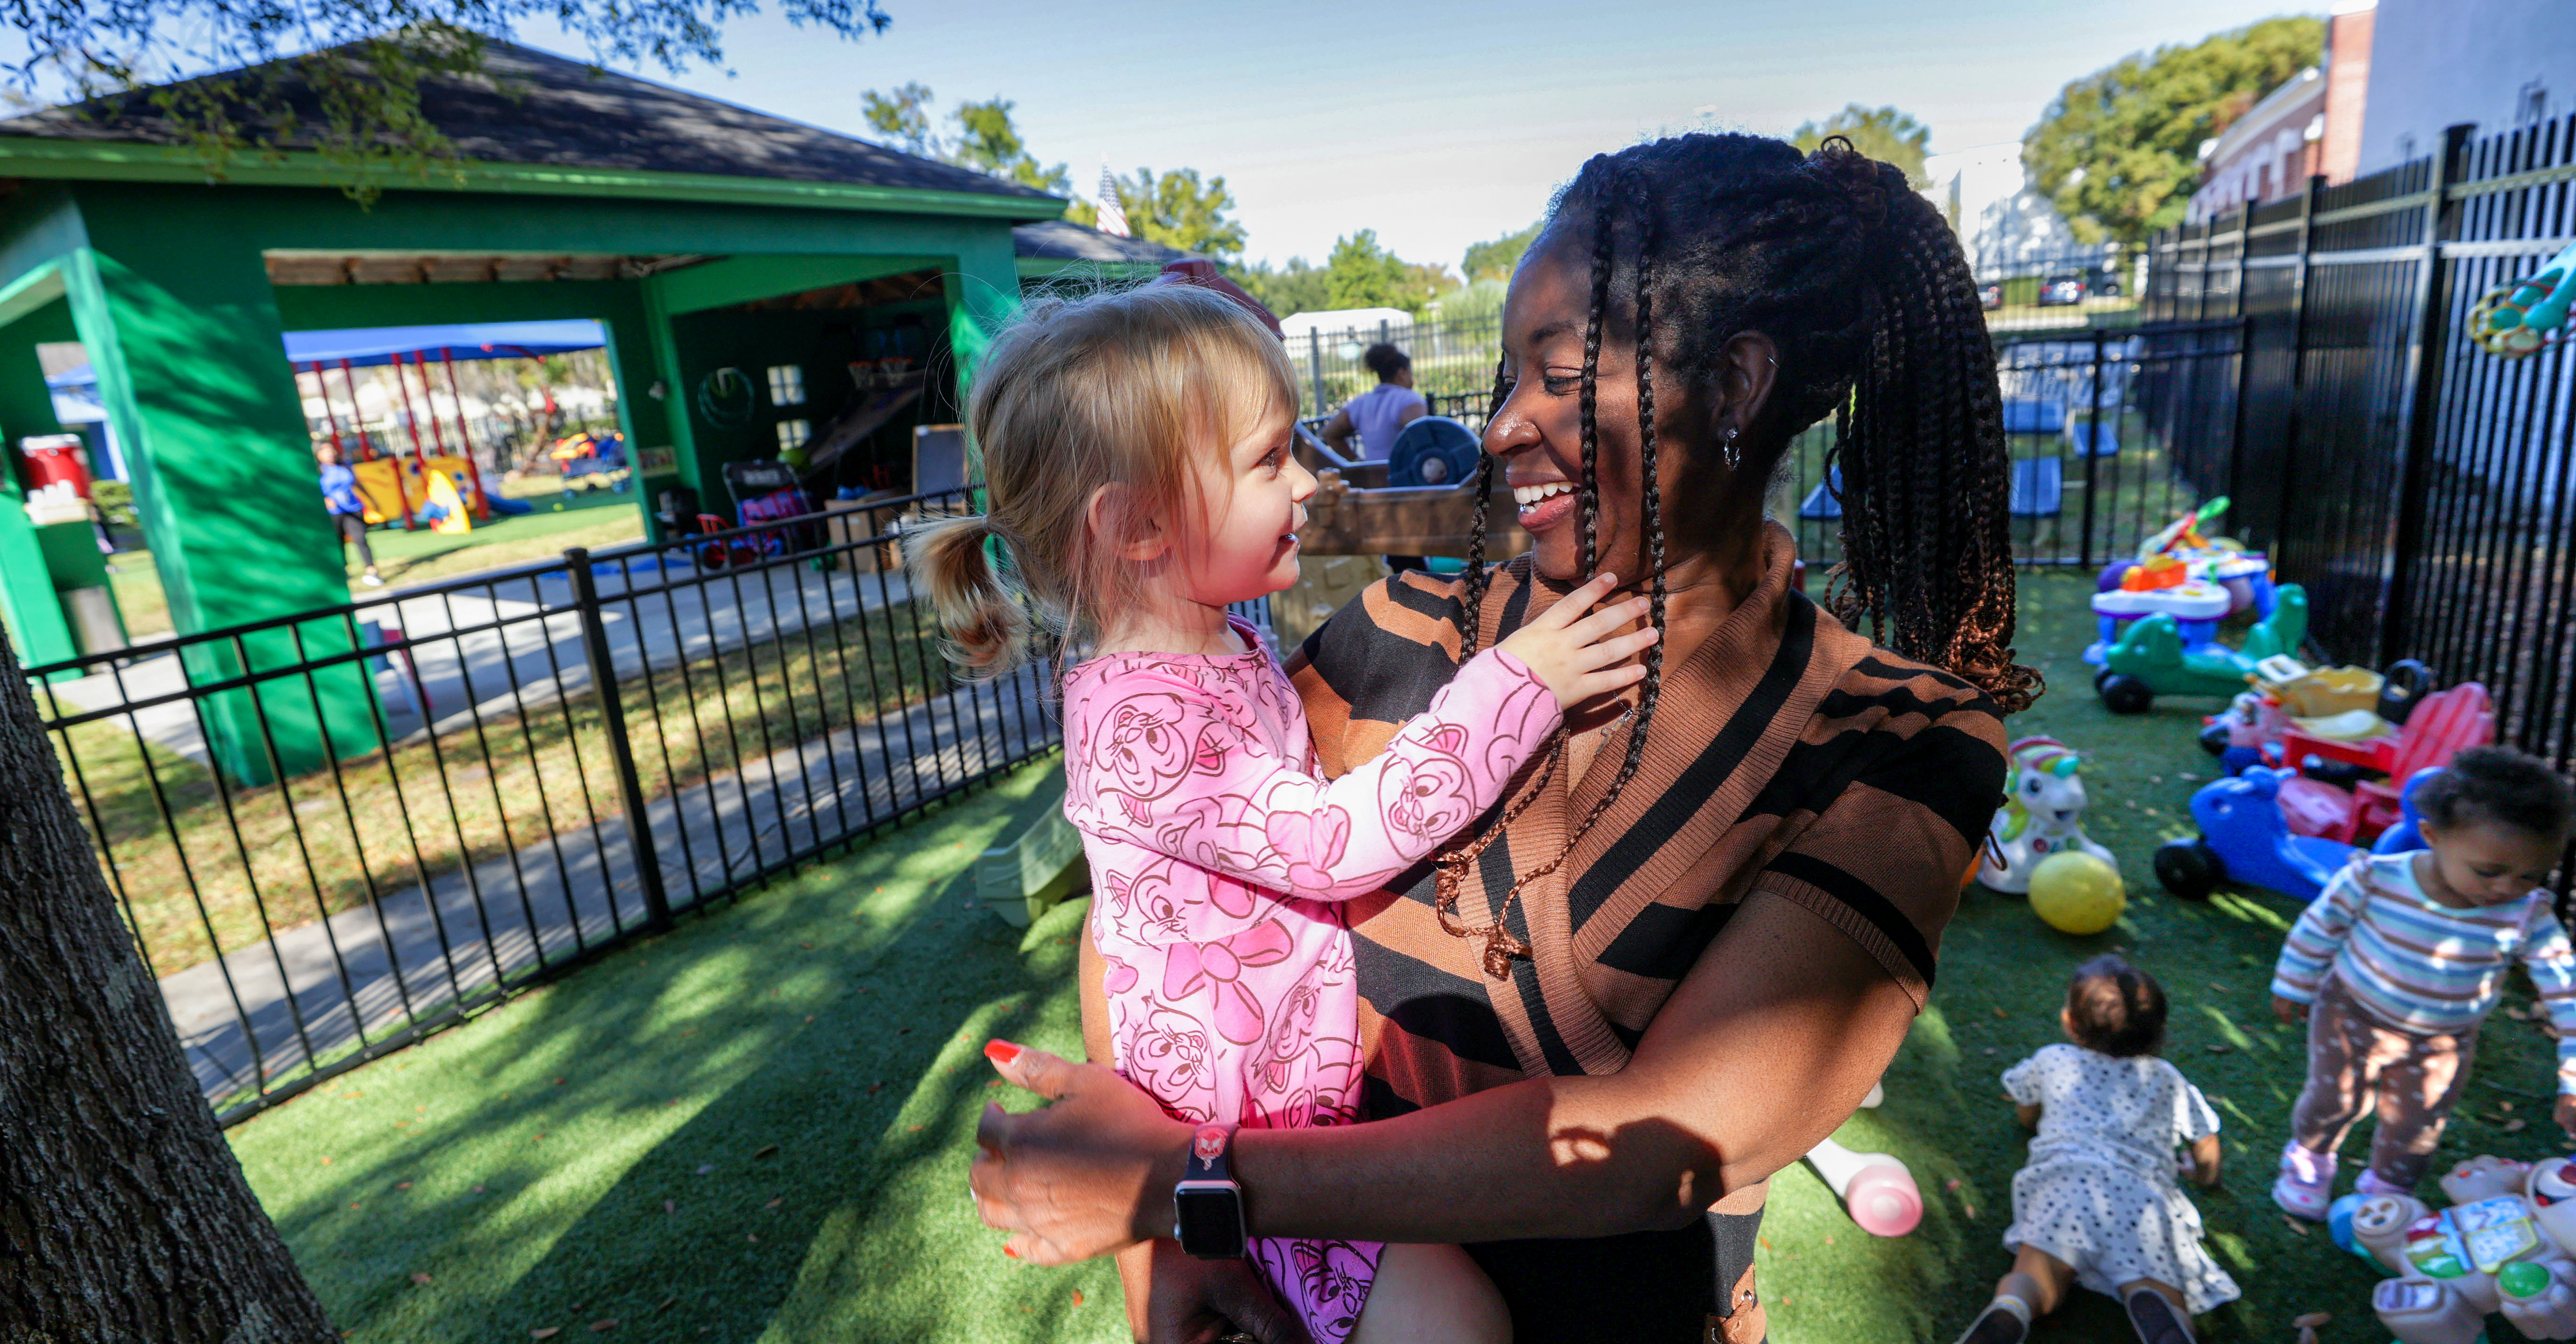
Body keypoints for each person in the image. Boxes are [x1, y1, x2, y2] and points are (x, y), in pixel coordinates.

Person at [969, 133, 2030, 1344]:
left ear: (1732, 386)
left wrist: (1196, 1186)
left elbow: (1660, 1141)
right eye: (1504, 379)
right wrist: (1172, 1246)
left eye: (1558, 374)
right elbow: (1151, 900)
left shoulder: (1893, 744)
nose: (1500, 428)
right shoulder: (1402, 626)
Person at [909, 281, 1658, 1344]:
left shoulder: (1216, 646)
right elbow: (1328, 842)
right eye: (1269, 460)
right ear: (1136, 526)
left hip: (1284, 1112)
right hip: (1243, 1138)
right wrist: (1517, 684)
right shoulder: (1140, 723)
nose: (1308, 481)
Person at [2270, 745, 2576, 1217]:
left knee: (2417, 1124)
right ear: (2433, 836)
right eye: (2490, 871)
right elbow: (2320, 926)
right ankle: (2309, 1161)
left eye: (2531, 876)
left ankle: (2389, 1191)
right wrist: (2294, 983)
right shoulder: (2375, 879)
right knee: (2334, 1099)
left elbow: (2566, 989)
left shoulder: (2527, 915)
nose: (2506, 889)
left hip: (2443, 1041)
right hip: (2351, 1013)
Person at [1952, 956, 2237, 1344]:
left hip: (2064, 1184)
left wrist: (2037, 1120)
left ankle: (2014, 1307)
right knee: (2158, 1284)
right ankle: (2157, 1306)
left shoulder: (2054, 1060)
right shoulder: (2170, 1080)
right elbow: (2206, 1143)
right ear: (2159, 1034)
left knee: (2035, 1277)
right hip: (2141, 1200)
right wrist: (2207, 1176)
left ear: (2070, 1023)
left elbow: (2026, 1113)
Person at [1321, 344, 1425, 462]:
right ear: (1402, 374)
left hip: (1373, 478)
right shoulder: (1410, 400)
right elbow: (1422, 440)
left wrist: (1357, 463)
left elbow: (1329, 433)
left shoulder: (1361, 403)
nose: (1413, 381)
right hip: (1405, 478)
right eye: (1411, 374)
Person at [315, 443, 381, 587]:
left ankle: (372, 571)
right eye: (325, 452)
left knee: (361, 539)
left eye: (331, 450)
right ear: (319, 455)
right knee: (338, 542)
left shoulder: (345, 466)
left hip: (353, 508)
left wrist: (372, 500)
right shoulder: (319, 470)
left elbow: (357, 484)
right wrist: (325, 500)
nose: (329, 454)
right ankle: (342, 570)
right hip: (334, 512)